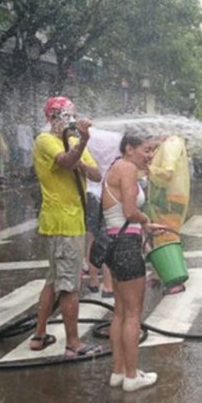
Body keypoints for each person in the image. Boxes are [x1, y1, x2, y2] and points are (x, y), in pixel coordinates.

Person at [29, 96, 102, 357]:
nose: (68, 120)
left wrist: (80, 152)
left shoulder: (73, 142)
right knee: (70, 285)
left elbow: (96, 174)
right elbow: (66, 162)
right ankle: (74, 343)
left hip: (73, 220)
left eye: (71, 115)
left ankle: (39, 335)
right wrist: (82, 141)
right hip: (62, 222)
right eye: (63, 115)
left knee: (53, 280)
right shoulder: (45, 140)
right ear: (50, 117)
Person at [103, 131, 167, 392]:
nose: (149, 155)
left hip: (115, 244)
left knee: (119, 311)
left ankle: (118, 371)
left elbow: (122, 213)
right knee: (132, 314)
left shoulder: (116, 167)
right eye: (146, 150)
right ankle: (132, 376)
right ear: (129, 148)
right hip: (127, 247)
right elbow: (130, 211)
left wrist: (145, 225)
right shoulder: (127, 168)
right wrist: (144, 220)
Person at [146, 133, 190, 294]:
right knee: (159, 236)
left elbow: (167, 173)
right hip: (164, 198)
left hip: (170, 198)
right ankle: (159, 274)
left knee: (167, 235)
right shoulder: (165, 144)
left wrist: (146, 168)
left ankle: (175, 280)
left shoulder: (171, 143)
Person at [83, 127, 122, 297]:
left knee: (91, 236)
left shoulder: (88, 139)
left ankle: (93, 280)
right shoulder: (118, 139)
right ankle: (108, 284)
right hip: (108, 192)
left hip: (90, 191)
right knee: (106, 238)